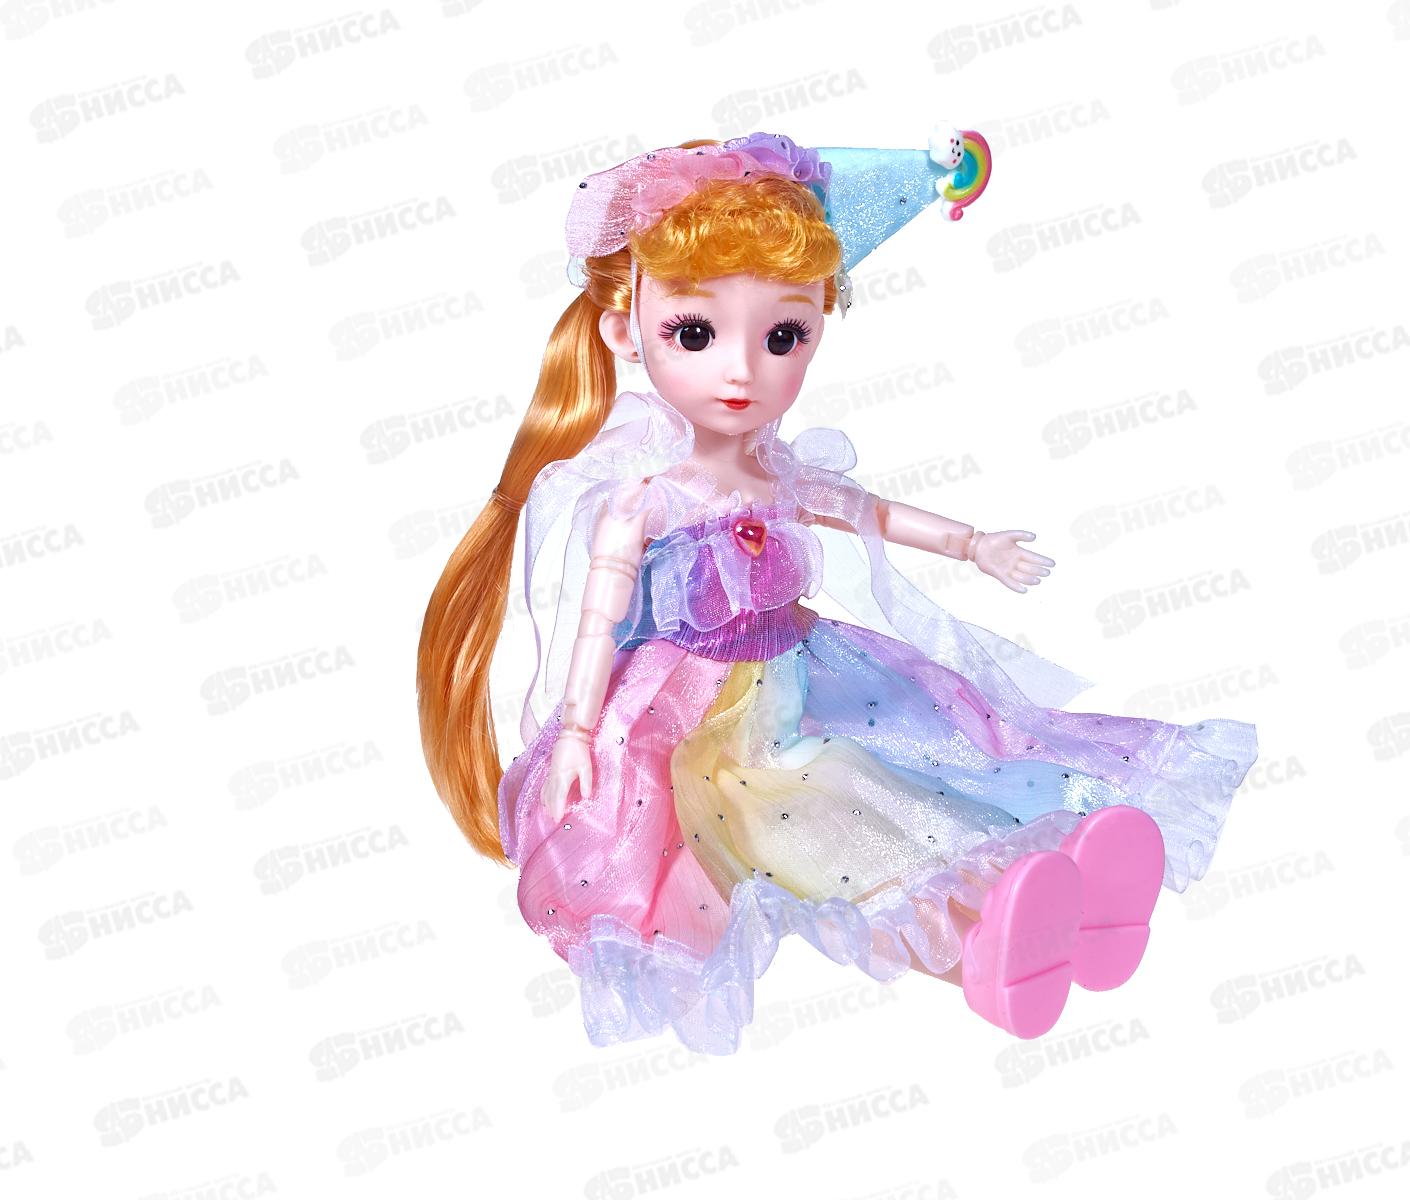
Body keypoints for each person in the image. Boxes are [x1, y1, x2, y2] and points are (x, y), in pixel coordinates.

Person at [417, 128, 1259, 1054]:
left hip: (804, 669)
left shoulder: (776, 472)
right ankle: (980, 950)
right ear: (626, 332)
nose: (741, 369)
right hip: (690, 712)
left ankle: (1067, 887)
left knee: (935, 757)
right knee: (812, 812)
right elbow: (598, 618)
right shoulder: (647, 496)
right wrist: (578, 730)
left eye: (783, 335)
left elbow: (868, 512)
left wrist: (972, 544)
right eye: (694, 333)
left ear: (819, 324)